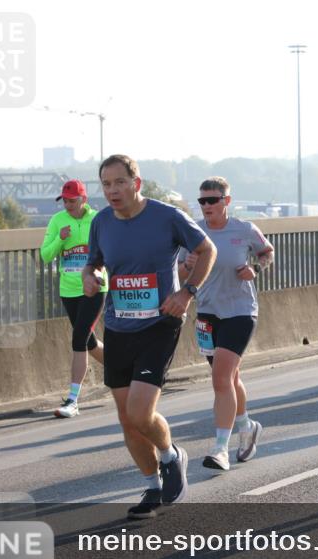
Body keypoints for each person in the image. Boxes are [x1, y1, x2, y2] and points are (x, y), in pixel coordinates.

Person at [84, 154, 216, 520]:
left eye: (119, 182)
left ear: (136, 183)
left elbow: (207, 250)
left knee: (141, 411)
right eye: (106, 184)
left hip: (160, 322)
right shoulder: (101, 222)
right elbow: (92, 263)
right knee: (127, 419)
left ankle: (172, 455)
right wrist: (89, 277)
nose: (112, 191)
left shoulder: (167, 217)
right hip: (118, 323)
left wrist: (186, 292)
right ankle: (153, 487)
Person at [178, 177, 274, 471]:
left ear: (226, 201)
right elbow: (180, 273)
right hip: (207, 313)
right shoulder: (193, 233)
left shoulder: (243, 229)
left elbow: (266, 253)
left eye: (212, 200)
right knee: (230, 379)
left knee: (221, 378)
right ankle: (247, 426)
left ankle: (220, 448)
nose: (206, 206)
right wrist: (189, 266)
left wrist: (255, 268)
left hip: (241, 311)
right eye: (202, 201)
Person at [40, 179, 106, 418]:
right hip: (68, 290)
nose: (68, 205)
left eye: (72, 200)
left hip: (95, 287)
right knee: (88, 342)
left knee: (79, 338)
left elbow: (111, 249)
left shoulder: (98, 219)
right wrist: (60, 238)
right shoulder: (57, 221)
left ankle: (72, 400)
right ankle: (122, 370)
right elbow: (46, 255)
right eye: (65, 200)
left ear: (84, 199)